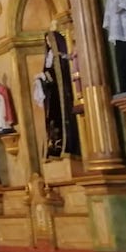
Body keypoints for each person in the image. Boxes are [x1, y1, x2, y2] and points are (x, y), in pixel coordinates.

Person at [33, 29, 79, 158]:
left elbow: (59, 73)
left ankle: (61, 143)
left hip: (59, 92)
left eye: (50, 40)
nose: (48, 43)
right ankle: (53, 143)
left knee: (59, 116)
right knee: (51, 117)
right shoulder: (48, 55)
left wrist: (44, 76)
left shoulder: (58, 55)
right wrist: (41, 80)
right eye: (47, 40)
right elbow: (48, 72)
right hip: (51, 92)